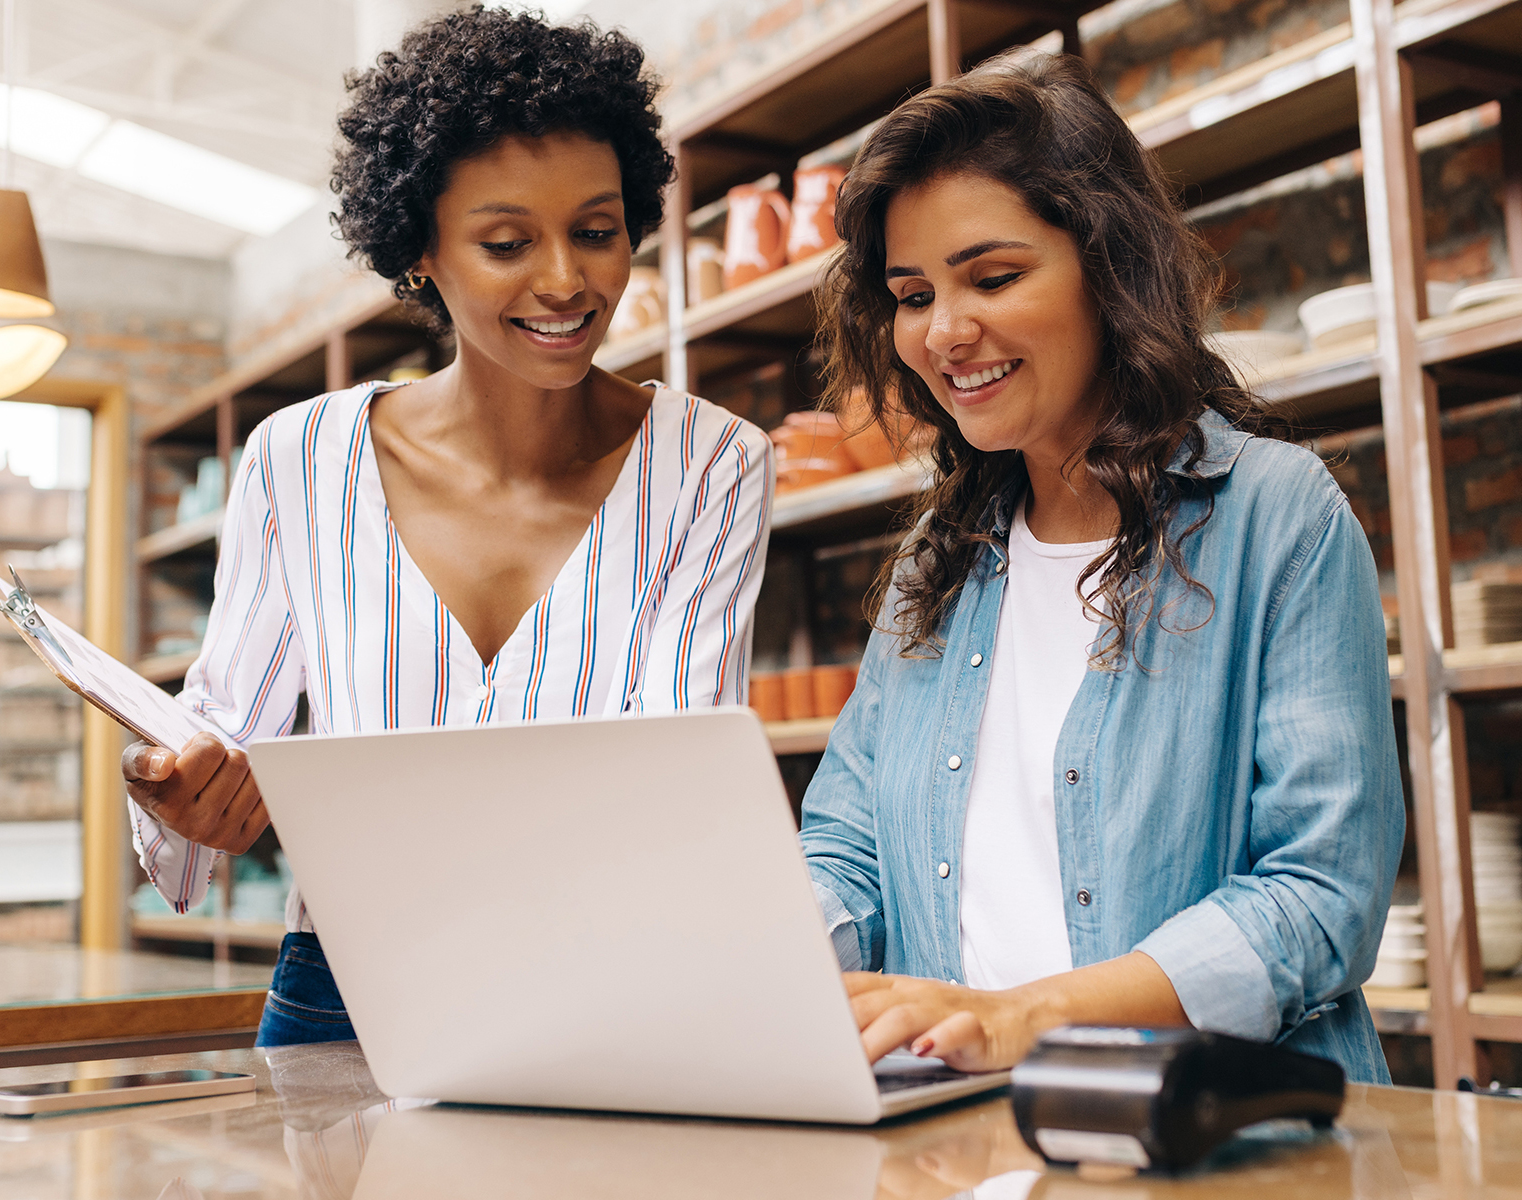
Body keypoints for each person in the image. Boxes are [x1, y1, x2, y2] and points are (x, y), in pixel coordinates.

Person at [123, 7, 774, 1047]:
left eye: (596, 231)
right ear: (419, 249)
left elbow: (678, 782)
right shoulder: (297, 462)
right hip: (344, 989)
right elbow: (220, 746)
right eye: (507, 241)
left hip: (608, 985)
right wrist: (176, 791)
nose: (565, 279)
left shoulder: (710, 465)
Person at [801, 51, 1402, 1083]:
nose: (943, 332)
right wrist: (734, 960)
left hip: (1214, 1142)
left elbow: (1316, 898)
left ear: (1108, 269)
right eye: (910, 293)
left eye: (991, 277)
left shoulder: (1276, 517)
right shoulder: (930, 567)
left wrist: (1021, 1017)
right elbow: (848, 854)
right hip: (969, 1132)